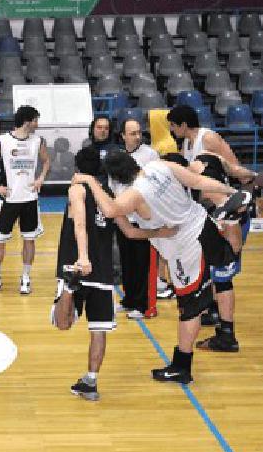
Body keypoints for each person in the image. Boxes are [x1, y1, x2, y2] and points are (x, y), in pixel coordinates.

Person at [73, 151, 247, 384]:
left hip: (185, 247)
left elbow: (112, 211)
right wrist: (232, 191)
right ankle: (231, 217)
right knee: (226, 262)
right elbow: (197, 181)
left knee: (189, 308)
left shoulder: (133, 195)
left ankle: (182, 367)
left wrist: (91, 181)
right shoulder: (159, 165)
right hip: (202, 222)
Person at [53, 147, 177, 401]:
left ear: (77, 169)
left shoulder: (77, 189)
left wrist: (83, 257)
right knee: (98, 330)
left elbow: (79, 224)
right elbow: (131, 232)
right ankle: (91, 380)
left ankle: (68, 289)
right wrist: (160, 233)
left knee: (62, 323)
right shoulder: (108, 196)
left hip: (76, 264)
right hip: (103, 272)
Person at [167, 105, 254, 351]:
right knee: (213, 268)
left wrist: (246, 194)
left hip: (228, 212)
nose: (172, 131)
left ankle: (227, 334)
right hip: (213, 212)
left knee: (223, 275)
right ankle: (215, 311)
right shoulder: (186, 145)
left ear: (183, 124)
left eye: (173, 126)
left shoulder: (209, 138)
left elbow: (234, 167)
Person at [0, 105, 50, 295]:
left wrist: (41, 178)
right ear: (27, 121)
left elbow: (46, 161)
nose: (37, 124)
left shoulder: (38, 141)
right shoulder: (2, 140)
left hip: (30, 200)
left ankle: (25, 278)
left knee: (29, 239)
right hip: (8, 200)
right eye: (36, 120)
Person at [113, 119, 164, 319]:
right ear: (123, 135)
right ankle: (130, 300)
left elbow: (157, 183)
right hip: (123, 217)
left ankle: (146, 306)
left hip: (144, 220)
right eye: (132, 133)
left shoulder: (150, 155)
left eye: (138, 132)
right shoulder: (117, 156)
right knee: (128, 262)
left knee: (145, 264)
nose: (137, 136)